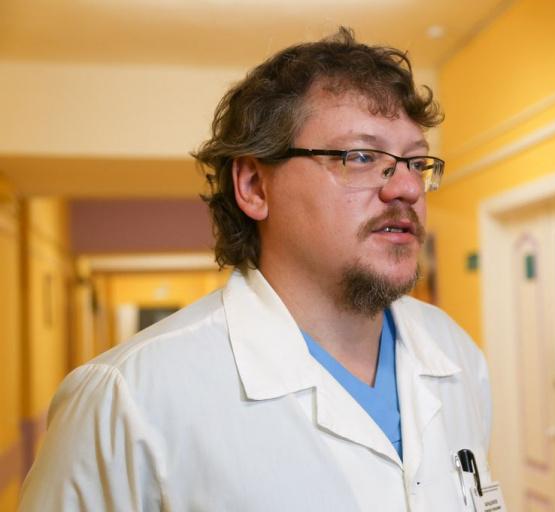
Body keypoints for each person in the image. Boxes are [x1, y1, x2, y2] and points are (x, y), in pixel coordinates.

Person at [19, 28, 493, 511]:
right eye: (361, 157)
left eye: (416, 161)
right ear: (254, 187)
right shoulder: (127, 399)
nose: (407, 188)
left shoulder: (455, 353)